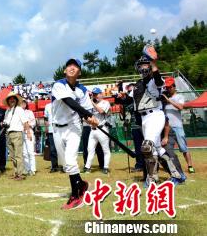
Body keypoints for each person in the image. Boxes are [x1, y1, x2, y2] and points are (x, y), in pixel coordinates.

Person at [121, 56, 183, 186]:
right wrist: (121, 97)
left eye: (146, 65)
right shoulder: (137, 84)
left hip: (155, 115)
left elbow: (158, 79)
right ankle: (177, 175)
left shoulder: (154, 81)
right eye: (141, 65)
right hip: (144, 119)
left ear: (150, 66)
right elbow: (128, 100)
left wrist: (153, 63)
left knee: (146, 146)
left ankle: (152, 178)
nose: (143, 67)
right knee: (157, 149)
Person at [52, 58, 98, 210]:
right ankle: (82, 184)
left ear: (79, 72)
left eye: (76, 66)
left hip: (73, 127)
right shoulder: (58, 84)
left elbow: (87, 110)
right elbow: (69, 101)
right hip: (57, 128)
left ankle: (75, 196)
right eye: (69, 65)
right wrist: (87, 114)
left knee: (71, 161)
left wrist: (90, 118)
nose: (72, 68)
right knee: (66, 164)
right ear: (65, 70)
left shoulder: (83, 90)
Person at [163, 77, 194, 173]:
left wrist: (169, 101)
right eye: (167, 87)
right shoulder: (165, 99)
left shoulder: (179, 97)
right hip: (168, 128)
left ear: (174, 86)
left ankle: (190, 166)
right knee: (167, 149)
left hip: (178, 127)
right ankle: (173, 168)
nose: (168, 89)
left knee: (184, 148)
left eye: (169, 87)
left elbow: (180, 107)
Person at [83, 88, 111, 174]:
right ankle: (87, 167)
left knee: (105, 149)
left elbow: (101, 111)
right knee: (90, 149)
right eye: (93, 94)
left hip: (102, 129)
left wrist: (92, 102)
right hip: (93, 129)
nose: (95, 96)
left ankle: (105, 167)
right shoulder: (92, 104)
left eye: (96, 94)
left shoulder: (105, 103)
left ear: (101, 94)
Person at [3, 92, 29, 180]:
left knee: (18, 155)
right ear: (8, 101)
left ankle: (20, 174)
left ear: (16, 100)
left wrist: (28, 133)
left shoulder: (19, 109)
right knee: (13, 156)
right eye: (10, 99)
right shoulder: (7, 111)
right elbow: (6, 122)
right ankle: (16, 173)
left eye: (13, 98)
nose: (12, 100)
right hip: (8, 133)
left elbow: (25, 122)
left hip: (17, 133)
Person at [22, 100, 37, 176]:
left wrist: (27, 125)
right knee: (24, 153)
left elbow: (33, 122)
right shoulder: (18, 112)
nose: (23, 104)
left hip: (29, 132)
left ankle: (33, 169)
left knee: (30, 151)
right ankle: (27, 169)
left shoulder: (29, 112)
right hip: (21, 133)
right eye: (21, 103)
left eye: (24, 103)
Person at [44, 101, 59, 172]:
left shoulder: (61, 104)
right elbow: (45, 118)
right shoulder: (47, 106)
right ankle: (54, 166)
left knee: (62, 149)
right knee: (52, 149)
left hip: (60, 130)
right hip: (51, 130)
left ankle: (65, 166)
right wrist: (46, 128)